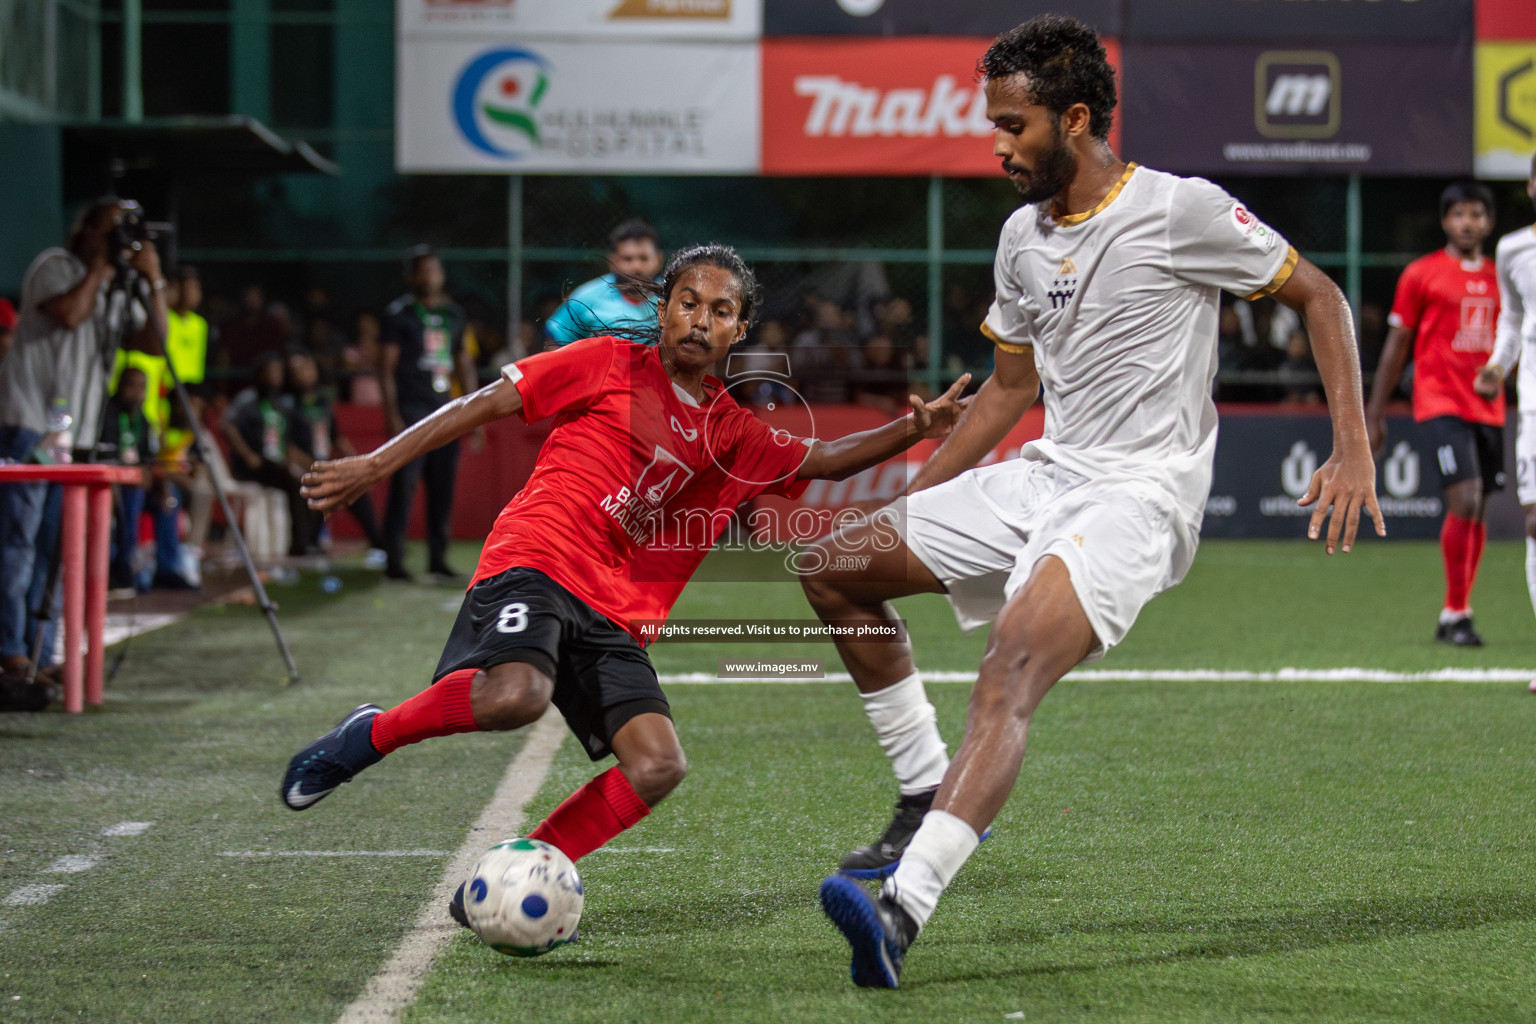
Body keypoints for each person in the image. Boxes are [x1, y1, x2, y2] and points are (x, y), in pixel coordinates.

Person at [800, 15, 1382, 988]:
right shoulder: (1021, 238)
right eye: (993, 122)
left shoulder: (1178, 209)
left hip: (1139, 494)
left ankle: (904, 905)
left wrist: (1353, 446)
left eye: (1014, 125)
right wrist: (913, 493)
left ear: (1076, 117)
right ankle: (918, 793)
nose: (997, 144)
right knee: (833, 566)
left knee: (1011, 662)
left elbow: (1320, 295)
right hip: (1047, 472)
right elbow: (1009, 389)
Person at [282, 245, 970, 935]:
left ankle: (525, 870)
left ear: (739, 331)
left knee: (658, 764)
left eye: (721, 311)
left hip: (616, 606)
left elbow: (821, 460)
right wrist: (375, 463)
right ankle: (370, 734)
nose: (701, 320)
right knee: (516, 696)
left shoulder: (730, 428)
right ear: (663, 308)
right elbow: (483, 402)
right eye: (689, 303)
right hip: (540, 555)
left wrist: (915, 428)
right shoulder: (608, 361)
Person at [0, 196, 168, 677]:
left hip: (74, 439)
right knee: (18, 545)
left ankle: (41, 654)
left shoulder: (117, 294)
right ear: (88, 231)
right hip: (26, 426)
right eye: (111, 228)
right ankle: (9, 650)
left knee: (58, 550)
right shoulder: (55, 266)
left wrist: (152, 279)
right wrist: (100, 264)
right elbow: (71, 313)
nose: (119, 239)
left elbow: (155, 343)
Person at [1367, 181, 1502, 647]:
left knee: (1480, 506)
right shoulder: (1422, 274)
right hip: (1440, 400)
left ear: (1490, 221)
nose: (1468, 223)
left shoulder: (1502, 278)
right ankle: (1457, 611)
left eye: (1477, 214)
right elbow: (1396, 346)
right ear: (1446, 221)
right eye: (1460, 214)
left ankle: (1454, 611)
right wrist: (1374, 412)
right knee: (1465, 498)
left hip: (1490, 407)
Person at [380, 246, 480, 581]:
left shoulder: (454, 314)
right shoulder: (399, 314)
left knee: (442, 487)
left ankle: (438, 558)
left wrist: (475, 411)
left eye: (434, 270)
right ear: (411, 277)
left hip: (446, 412)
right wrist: (392, 414)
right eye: (422, 271)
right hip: (411, 411)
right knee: (404, 487)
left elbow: (464, 364)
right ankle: (394, 560)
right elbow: (386, 367)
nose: (429, 277)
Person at [1475, 153, 1536, 687]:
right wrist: (1499, 364)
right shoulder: (1514, 248)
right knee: (1535, 519)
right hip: (1535, 402)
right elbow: (1513, 321)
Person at [286, 350, 387, 563]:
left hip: (324, 463)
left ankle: (379, 541)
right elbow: (288, 449)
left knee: (355, 487)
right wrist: (317, 467)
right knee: (320, 487)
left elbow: (337, 437)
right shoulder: (287, 405)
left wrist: (362, 464)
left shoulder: (322, 403)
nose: (303, 373)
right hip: (302, 466)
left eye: (306, 367)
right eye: (296, 370)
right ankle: (307, 543)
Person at [221, 353, 311, 556]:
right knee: (295, 482)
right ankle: (299, 546)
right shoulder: (248, 399)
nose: (276, 376)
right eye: (272, 371)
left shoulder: (281, 403)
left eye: (279, 371)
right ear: (261, 374)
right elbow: (227, 425)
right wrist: (247, 454)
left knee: (308, 481)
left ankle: (310, 540)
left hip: (276, 463)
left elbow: (284, 438)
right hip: (255, 465)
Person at [543, 220, 664, 347]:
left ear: (658, 259)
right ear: (613, 261)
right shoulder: (585, 298)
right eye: (627, 259)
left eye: (644, 258)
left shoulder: (672, 296)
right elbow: (554, 340)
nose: (636, 266)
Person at [99, 367, 156, 593]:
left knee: (171, 499)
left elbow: (149, 458)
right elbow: (105, 454)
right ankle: (121, 567)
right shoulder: (107, 414)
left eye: (142, 387)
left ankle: (166, 567)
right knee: (130, 498)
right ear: (119, 385)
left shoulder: (142, 418)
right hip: (113, 483)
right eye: (131, 385)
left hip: (135, 485)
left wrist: (156, 480)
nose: (137, 392)